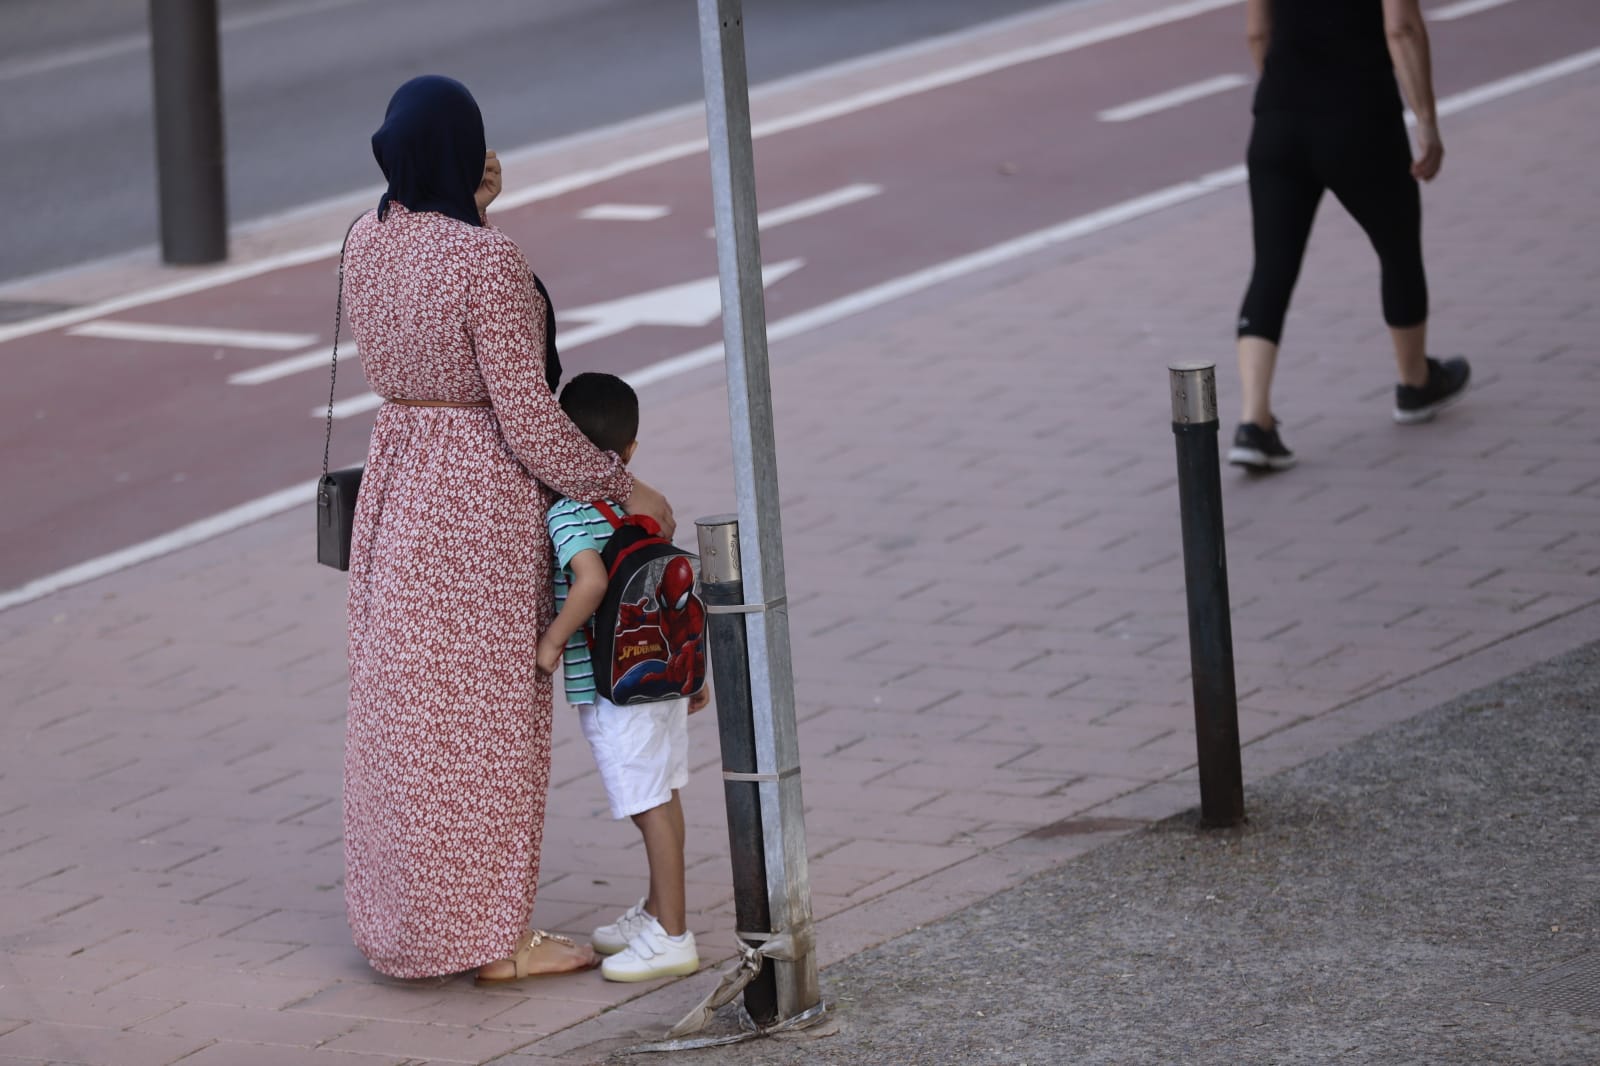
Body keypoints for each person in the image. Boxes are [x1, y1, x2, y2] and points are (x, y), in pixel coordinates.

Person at [341, 75, 677, 985]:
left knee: (406, 717)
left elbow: (433, 287)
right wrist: (622, 487)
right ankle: (494, 942)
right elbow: (527, 416)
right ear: (466, 149)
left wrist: (474, 212)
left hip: (399, 480)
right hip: (479, 500)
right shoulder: (488, 262)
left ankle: (406, 923)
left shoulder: (365, 240)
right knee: (491, 721)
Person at [1229, 0, 1470, 472]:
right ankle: (1415, 383)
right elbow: (1400, 27)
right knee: (1397, 246)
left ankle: (1254, 422)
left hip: (1278, 121)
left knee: (1272, 267)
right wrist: (1427, 121)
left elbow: (1257, 33)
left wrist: (1287, 96)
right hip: (1359, 117)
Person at [535, 372, 709, 983]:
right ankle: (660, 913)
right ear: (629, 451)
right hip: (660, 673)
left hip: (615, 688)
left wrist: (552, 642)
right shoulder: (640, 505)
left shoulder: (570, 513)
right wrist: (691, 674)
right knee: (663, 792)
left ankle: (672, 935)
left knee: (646, 802)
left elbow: (593, 581)